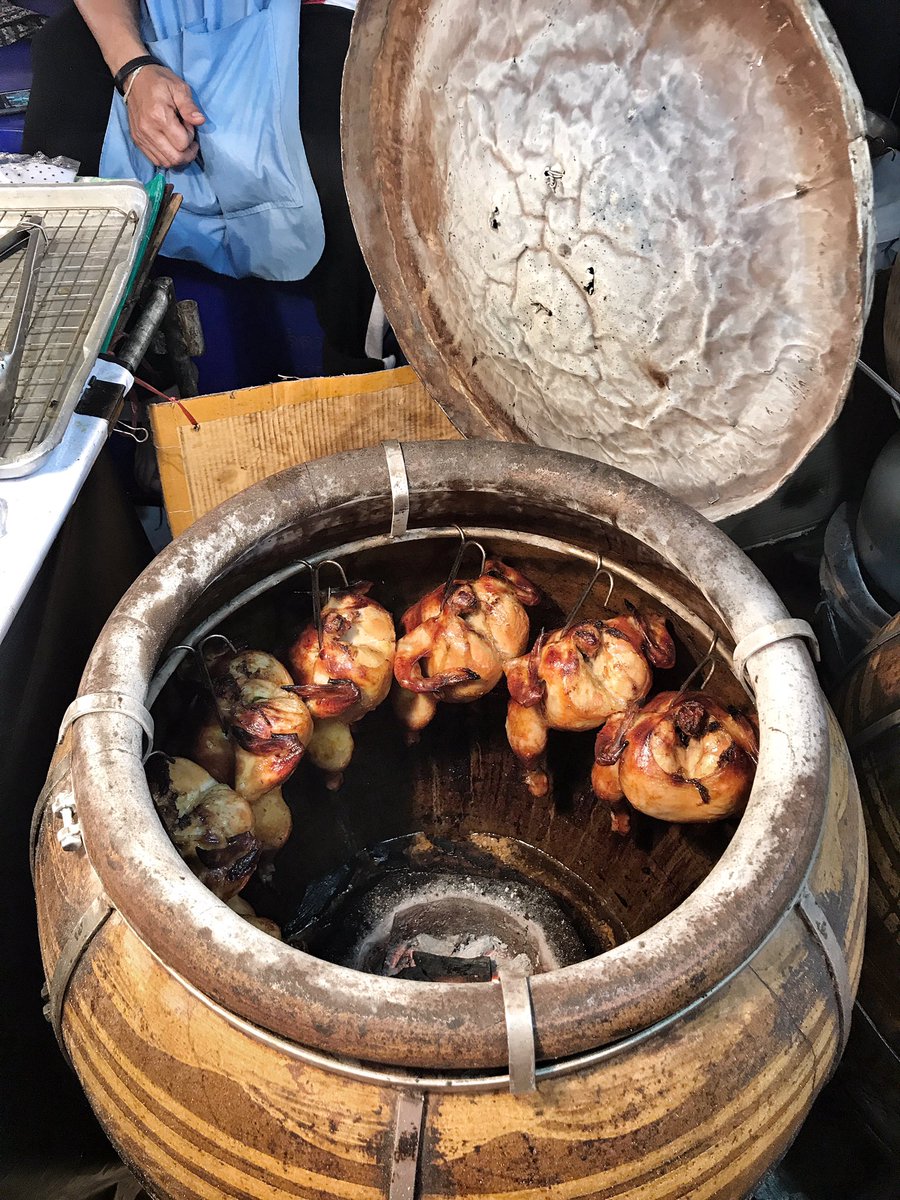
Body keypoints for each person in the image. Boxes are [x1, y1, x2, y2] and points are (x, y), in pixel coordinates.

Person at [23, 0, 393, 375]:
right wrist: (133, 69)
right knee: (54, 206)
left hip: (290, 18)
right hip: (129, 27)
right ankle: (120, 388)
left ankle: (364, 386)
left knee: (367, 182)